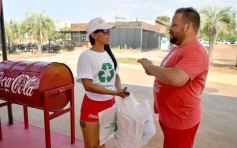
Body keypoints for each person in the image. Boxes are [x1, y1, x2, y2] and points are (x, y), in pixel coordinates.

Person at [138, 7, 209, 148]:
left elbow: (177, 78)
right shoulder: (179, 47)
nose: (170, 28)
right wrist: (154, 71)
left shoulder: (196, 52)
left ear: (187, 27)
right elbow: (167, 71)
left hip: (180, 122)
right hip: (170, 118)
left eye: (174, 25)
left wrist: (150, 67)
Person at [76, 17, 129, 148]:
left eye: (109, 31)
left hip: (109, 105)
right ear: (94, 34)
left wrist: (120, 89)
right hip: (92, 106)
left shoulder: (109, 54)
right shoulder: (86, 56)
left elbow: (116, 77)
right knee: (92, 145)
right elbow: (88, 86)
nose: (108, 34)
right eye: (105, 31)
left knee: (102, 143)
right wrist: (116, 92)